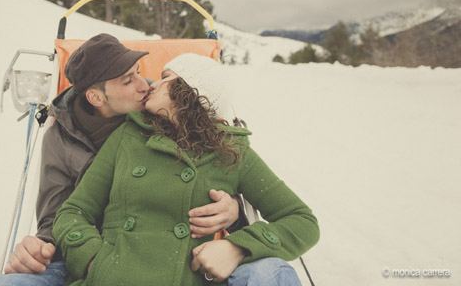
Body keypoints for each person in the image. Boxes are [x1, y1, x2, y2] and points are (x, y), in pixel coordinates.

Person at [0, 35, 241, 286]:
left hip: (158, 256)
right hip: (85, 257)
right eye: (128, 80)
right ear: (96, 98)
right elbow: (56, 216)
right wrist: (40, 249)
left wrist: (234, 209)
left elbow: (218, 160)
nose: (145, 85)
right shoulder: (60, 138)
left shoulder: (161, 107)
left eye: (139, 71)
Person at [53, 53, 320, 286]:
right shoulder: (129, 135)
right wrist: (93, 263)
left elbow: (302, 221)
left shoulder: (231, 152)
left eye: (165, 77)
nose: (152, 85)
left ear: (188, 91)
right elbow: (73, 211)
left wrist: (236, 248)